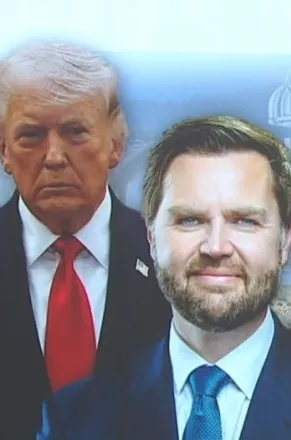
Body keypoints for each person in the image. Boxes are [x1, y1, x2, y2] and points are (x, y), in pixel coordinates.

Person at [37, 115, 291, 439]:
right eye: (190, 220)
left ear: (285, 240)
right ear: (151, 236)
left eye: (245, 221)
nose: (216, 246)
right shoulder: (75, 419)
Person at [0, 41, 171, 439]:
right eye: (31, 135)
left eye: (75, 132)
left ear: (116, 144)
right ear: (3, 149)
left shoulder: (171, 259)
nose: (54, 156)